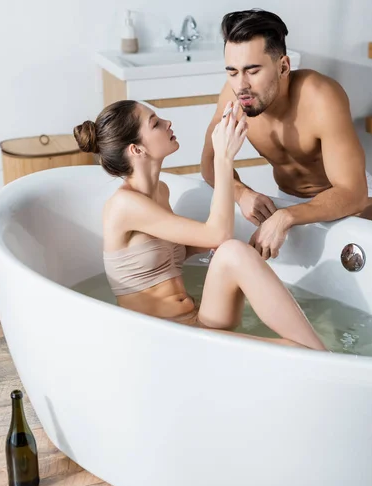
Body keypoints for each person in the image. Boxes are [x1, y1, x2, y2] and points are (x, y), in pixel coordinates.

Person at [73, 99, 326, 351]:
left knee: (234, 253)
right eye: (155, 123)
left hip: (196, 321)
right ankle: (322, 357)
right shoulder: (124, 205)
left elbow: (180, 251)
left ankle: (318, 353)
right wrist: (224, 157)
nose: (167, 123)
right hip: (166, 340)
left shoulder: (161, 192)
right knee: (232, 251)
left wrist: (250, 248)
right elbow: (218, 234)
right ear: (137, 149)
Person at [201, 9, 372, 261]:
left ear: (283, 66)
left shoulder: (321, 96)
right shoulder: (234, 96)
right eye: (232, 72)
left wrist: (287, 217)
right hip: (288, 199)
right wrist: (242, 193)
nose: (241, 85)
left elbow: (352, 193)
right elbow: (209, 164)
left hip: (347, 197)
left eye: (253, 71)